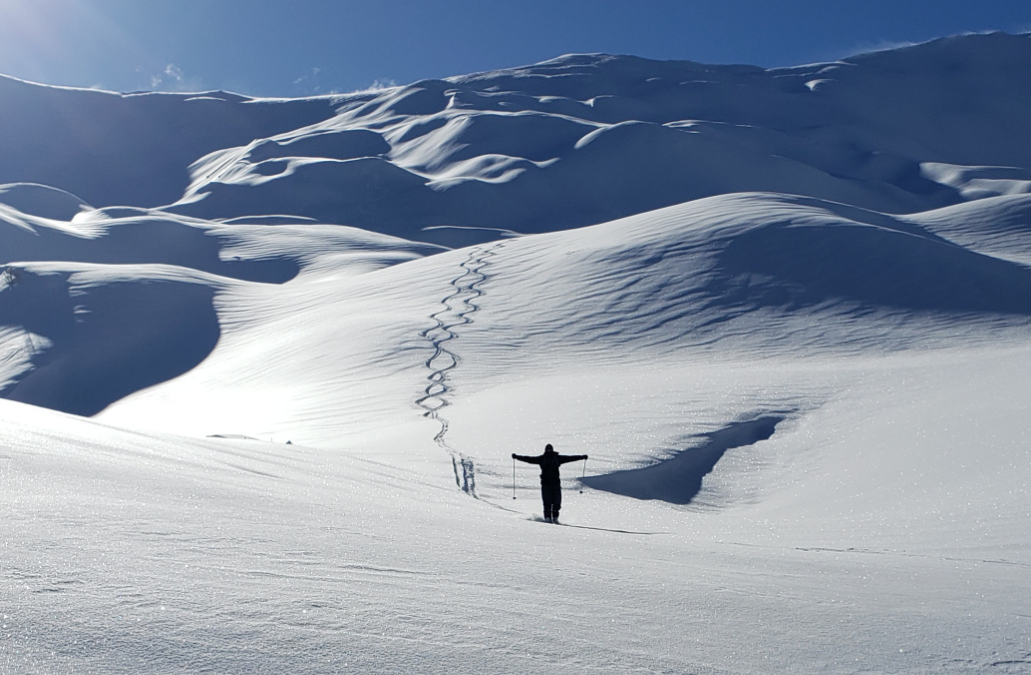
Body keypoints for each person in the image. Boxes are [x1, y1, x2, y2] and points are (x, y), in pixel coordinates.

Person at [513, 444, 588, 523]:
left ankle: (555, 518)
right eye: (548, 449)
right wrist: (517, 457)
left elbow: (570, 458)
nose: (549, 450)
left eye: (550, 449)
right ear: (545, 450)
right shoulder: (542, 459)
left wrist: (581, 457)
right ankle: (548, 518)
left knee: (557, 503)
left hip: (555, 484)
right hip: (546, 485)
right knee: (547, 502)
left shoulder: (557, 458)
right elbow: (529, 459)